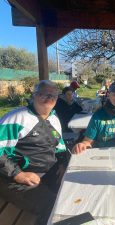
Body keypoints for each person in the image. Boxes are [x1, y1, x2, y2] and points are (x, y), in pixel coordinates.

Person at [0, 80, 67, 225]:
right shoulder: (17, 117)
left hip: (47, 174)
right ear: (34, 96)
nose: (49, 97)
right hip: (14, 178)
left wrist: (63, 164)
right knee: (53, 206)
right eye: (43, 93)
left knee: (72, 195)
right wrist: (18, 174)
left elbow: (60, 148)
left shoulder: (54, 119)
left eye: (53, 94)